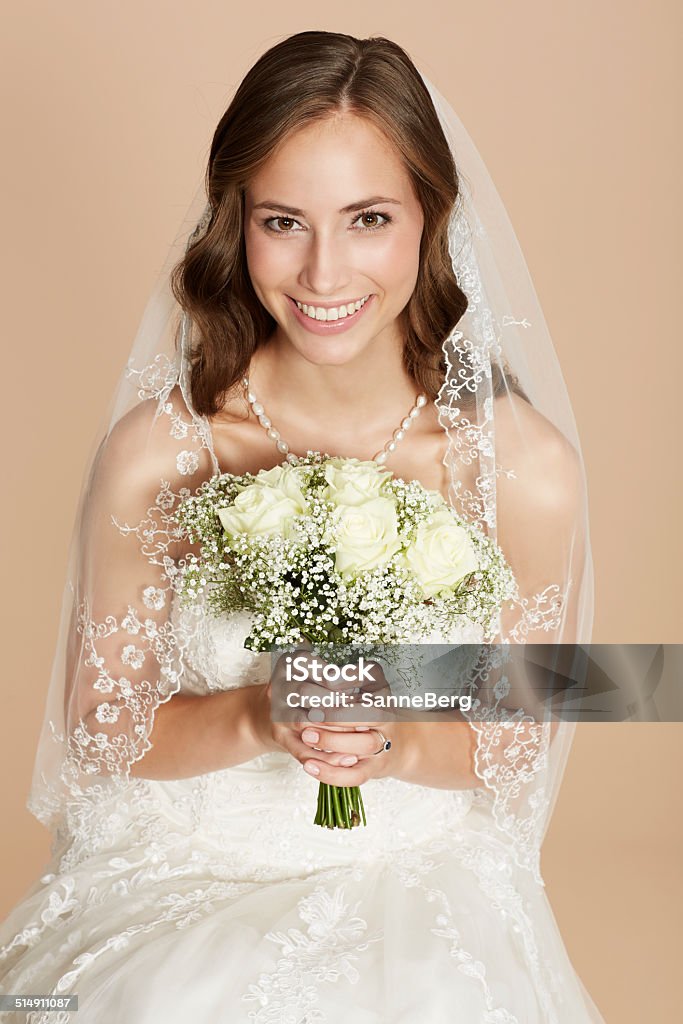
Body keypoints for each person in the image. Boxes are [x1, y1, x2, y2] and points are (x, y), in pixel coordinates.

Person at [0, 30, 605, 1023]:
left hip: (410, 871)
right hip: (181, 871)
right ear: (235, 224)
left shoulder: (521, 471)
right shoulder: (161, 453)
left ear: (429, 219)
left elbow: (517, 741)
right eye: (284, 221)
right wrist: (255, 715)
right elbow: (98, 729)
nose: (323, 273)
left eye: (366, 218)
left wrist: (393, 740)